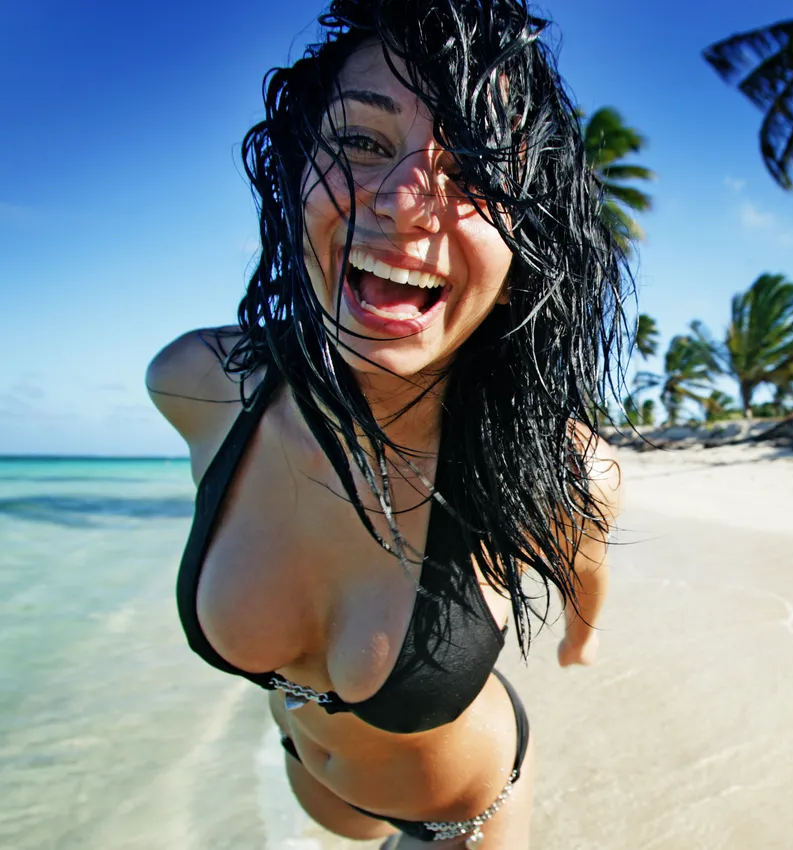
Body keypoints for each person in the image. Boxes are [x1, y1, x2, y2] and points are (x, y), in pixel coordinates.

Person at [146, 1, 628, 846]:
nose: (406, 203)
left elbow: (586, 570)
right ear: (296, 174)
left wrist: (579, 644)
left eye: (477, 171)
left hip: (462, 814)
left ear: (528, 250)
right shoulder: (202, 385)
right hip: (314, 786)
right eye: (361, 142)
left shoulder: (558, 468)